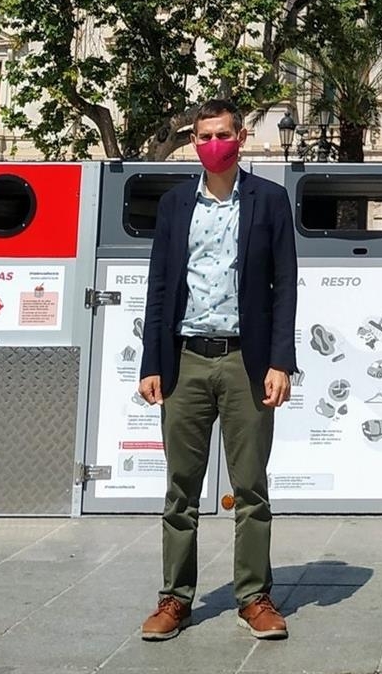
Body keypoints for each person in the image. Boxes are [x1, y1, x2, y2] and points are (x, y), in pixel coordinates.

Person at [138, 98, 297, 643]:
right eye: (203, 136)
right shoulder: (176, 203)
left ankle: (254, 597)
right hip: (183, 360)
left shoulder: (270, 202)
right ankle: (174, 599)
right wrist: (151, 362)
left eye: (221, 134)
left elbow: (284, 289)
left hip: (244, 362)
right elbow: (159, 287)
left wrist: (281, 362)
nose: (212, 144)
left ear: (243, 136)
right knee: (180, 489)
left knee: (250, 486)